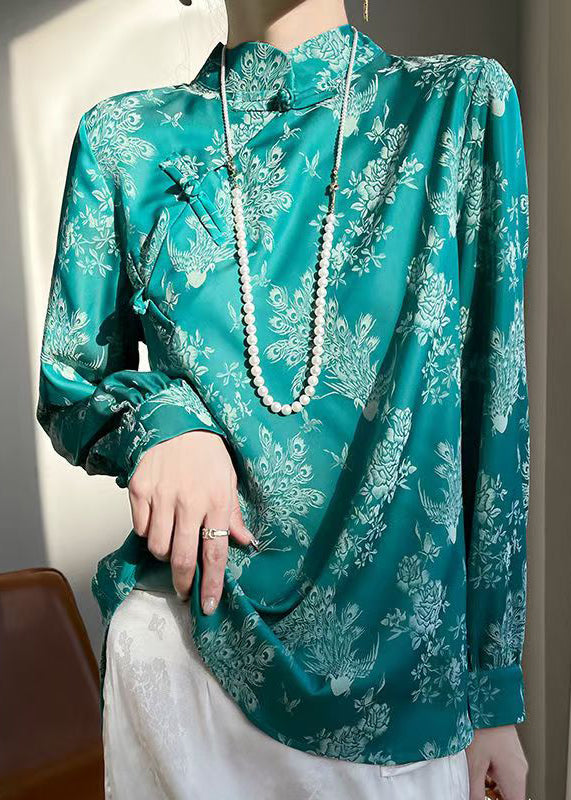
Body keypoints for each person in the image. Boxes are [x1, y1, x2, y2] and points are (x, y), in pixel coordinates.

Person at [36, 0, 530, 797]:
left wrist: (494, 690)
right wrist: (163, 425)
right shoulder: (125, 140)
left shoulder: (456, 106)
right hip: (186, 657)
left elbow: (494, 408)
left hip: (406, 694)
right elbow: (70, 380)